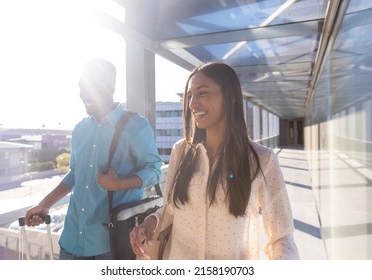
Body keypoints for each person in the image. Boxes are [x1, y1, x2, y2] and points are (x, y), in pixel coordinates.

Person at [130, 61, 299, 260]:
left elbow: (282, 237)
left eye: (202, 93)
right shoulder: (181, 151)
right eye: (190, 95)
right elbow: (171, 210)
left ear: (232, 96)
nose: (192, 103)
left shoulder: (263, 160)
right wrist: (150, 222)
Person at [25, 58, 162, 260]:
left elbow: (154, 170)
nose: (85, 94)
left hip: (110, 246)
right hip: (70, 241)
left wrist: (120, 183)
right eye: (82, 87)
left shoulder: (136, 126)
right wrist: (45, 204)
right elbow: (75, 174)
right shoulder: (80, 129)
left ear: (111, 87)